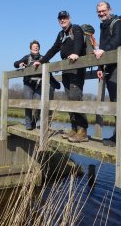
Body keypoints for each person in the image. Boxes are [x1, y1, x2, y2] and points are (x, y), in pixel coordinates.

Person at [33, 10, 88, 143]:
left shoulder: (76, 29)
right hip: (66, 69)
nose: (62, 20)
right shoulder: (61, 34)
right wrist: (41, 61)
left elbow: (79, 42)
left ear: (69, 18)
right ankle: (74, 128)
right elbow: (54, 49)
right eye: (60, 19)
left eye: (64, 18)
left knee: (75, 97)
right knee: (69, 99)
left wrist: (76, 53)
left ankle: (83, 131)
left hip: (76, 67)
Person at [94, 1, 121, 147]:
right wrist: (100, 67)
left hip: (119, 66)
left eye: (103, 10)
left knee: (120, 102)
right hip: (109, 67)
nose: (101, 13)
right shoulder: (103, 25)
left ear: (110, 9)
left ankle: (120, 137)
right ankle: (118, 136)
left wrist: (103, 51)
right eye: (99, 11)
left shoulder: (117, 23)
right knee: (114, 101)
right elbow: (101, 46)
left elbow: (116, 42)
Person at [14, 40, 61, 130]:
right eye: (34, 46)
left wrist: (55, 84)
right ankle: (28, 123)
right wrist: (19, 64)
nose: (35, 47)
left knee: (38, 105)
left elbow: (49, 73)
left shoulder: (44, 58)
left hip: (40, 85)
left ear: (39, 48)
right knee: (28, 103)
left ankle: (34, 122)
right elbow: (15, 64)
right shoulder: (26, 58)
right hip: (28, 84)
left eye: (37, 46)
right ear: (31, 48)